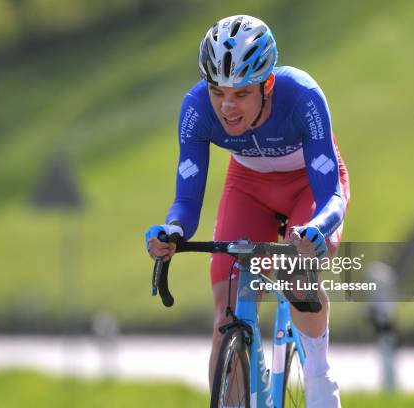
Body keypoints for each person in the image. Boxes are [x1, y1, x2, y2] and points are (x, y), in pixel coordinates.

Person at [145, 15, 349, 408]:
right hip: (249, 186)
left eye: (240, 93)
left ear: (267, 84)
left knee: (296, 271)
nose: (226, 105)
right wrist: (171, 231)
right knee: (226, 311)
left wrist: (317, 230)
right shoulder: (195, 109)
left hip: (309, 185)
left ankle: (321, 377)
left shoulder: (302, 95)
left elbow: (331, 197)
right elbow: (186, 203)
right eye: (217, 90)